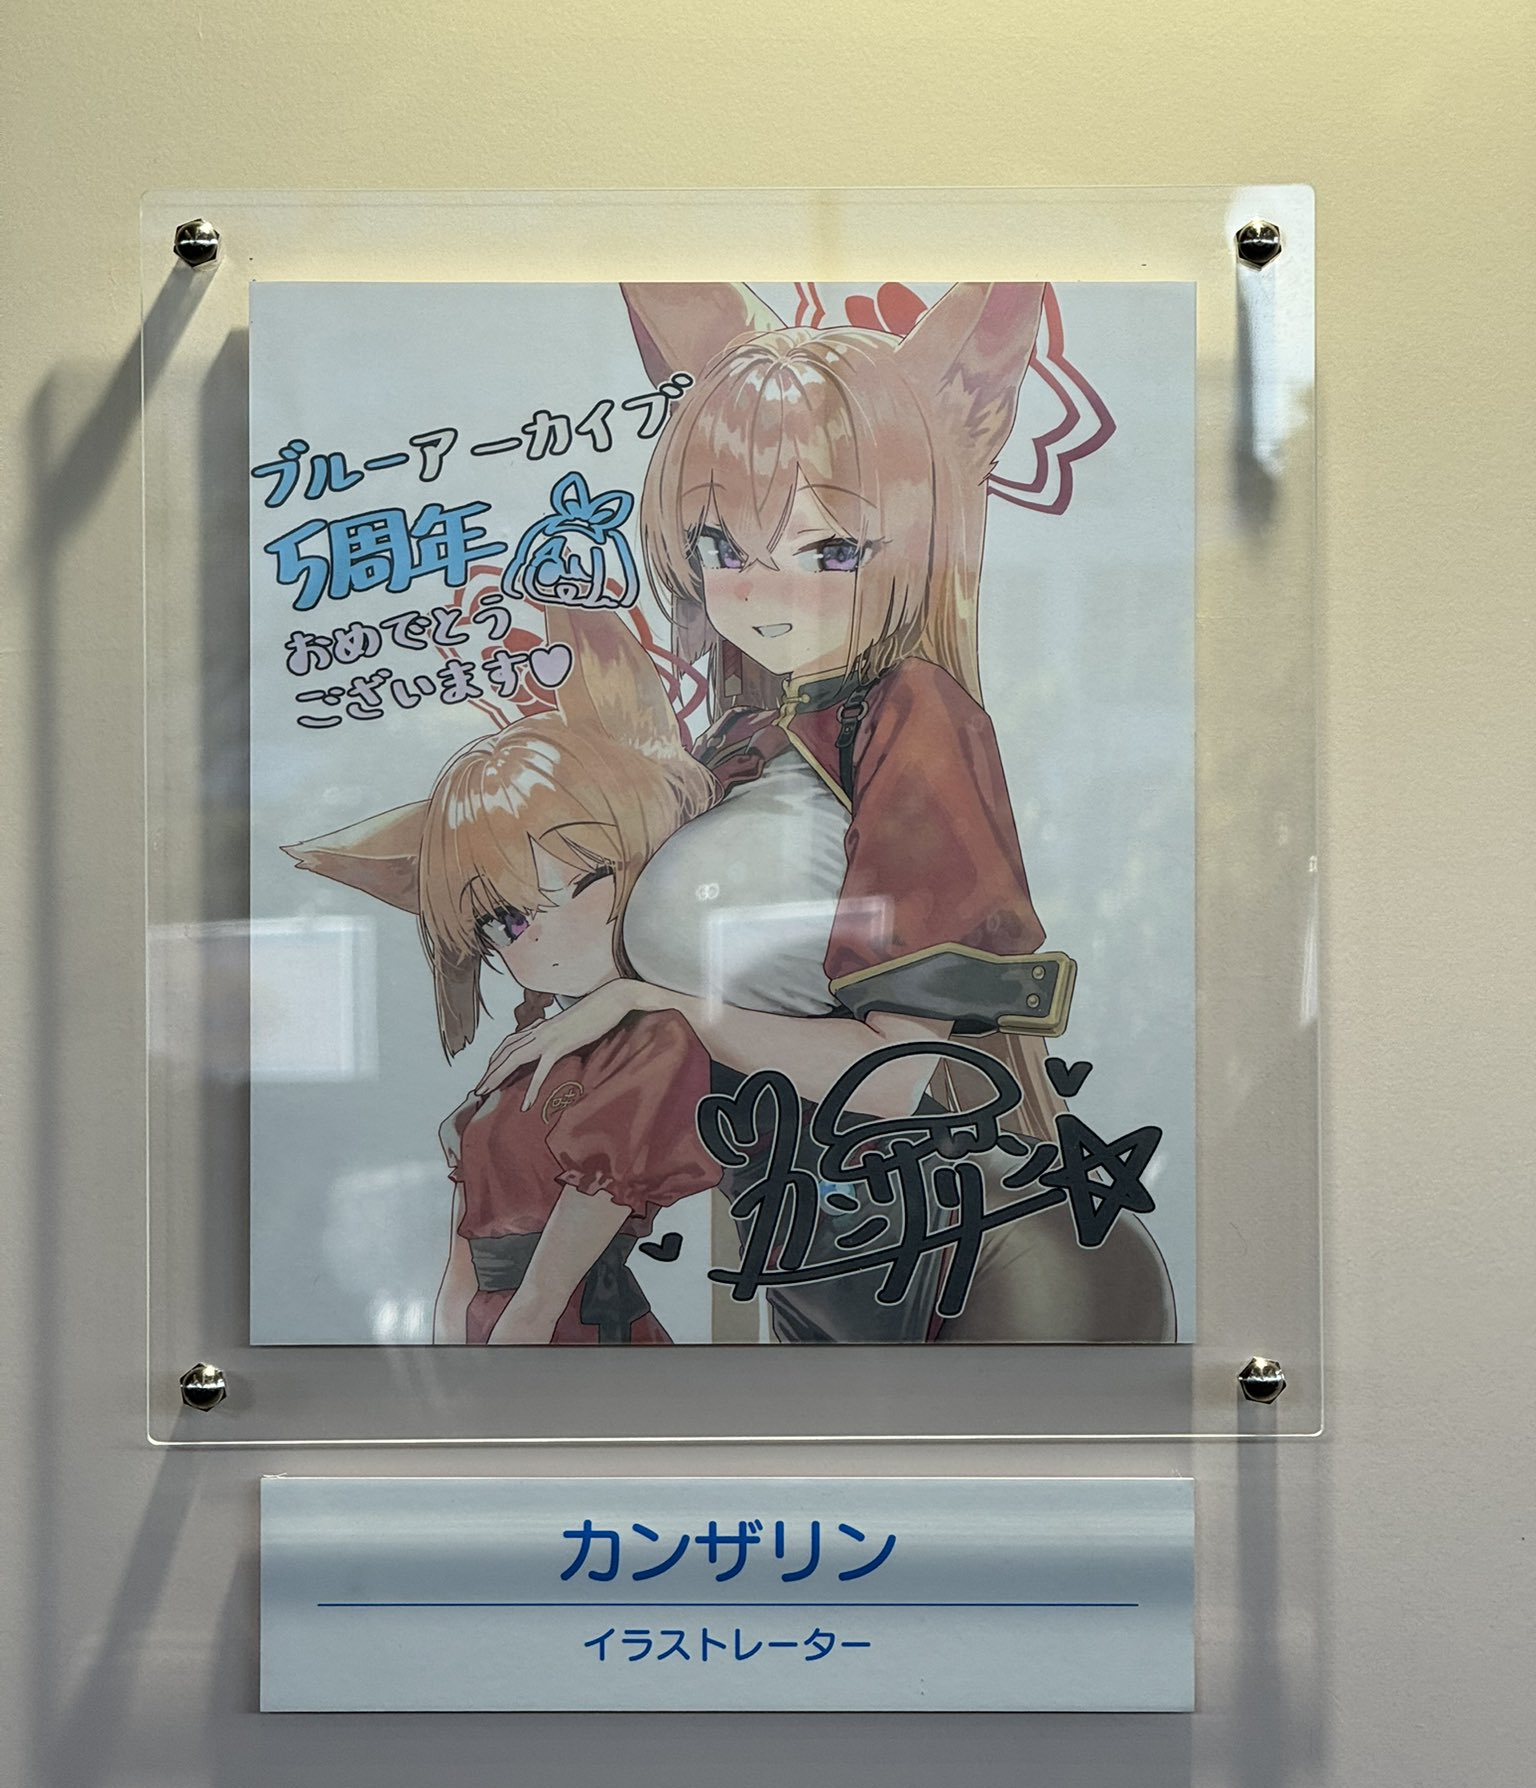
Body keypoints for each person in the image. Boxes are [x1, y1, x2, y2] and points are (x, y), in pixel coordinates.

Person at [473, 282, 1175, 1344]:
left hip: (986, 1260)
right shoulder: (748, 742)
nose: (764, 592)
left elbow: (895, 1079)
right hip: (818, 1254)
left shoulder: (913, 717)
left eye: (828, 550)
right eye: (724, 547)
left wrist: (663, 1008)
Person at [282, 607, 721, 1346]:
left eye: (584, 880)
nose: (546, 928)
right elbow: (467, 1234)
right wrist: (451, 1327)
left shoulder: (652, 1040)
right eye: (507, 920)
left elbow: (584, 1222)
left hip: (564, 1331)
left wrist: (521, 1325)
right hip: (493, 1327)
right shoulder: (535, 1042)